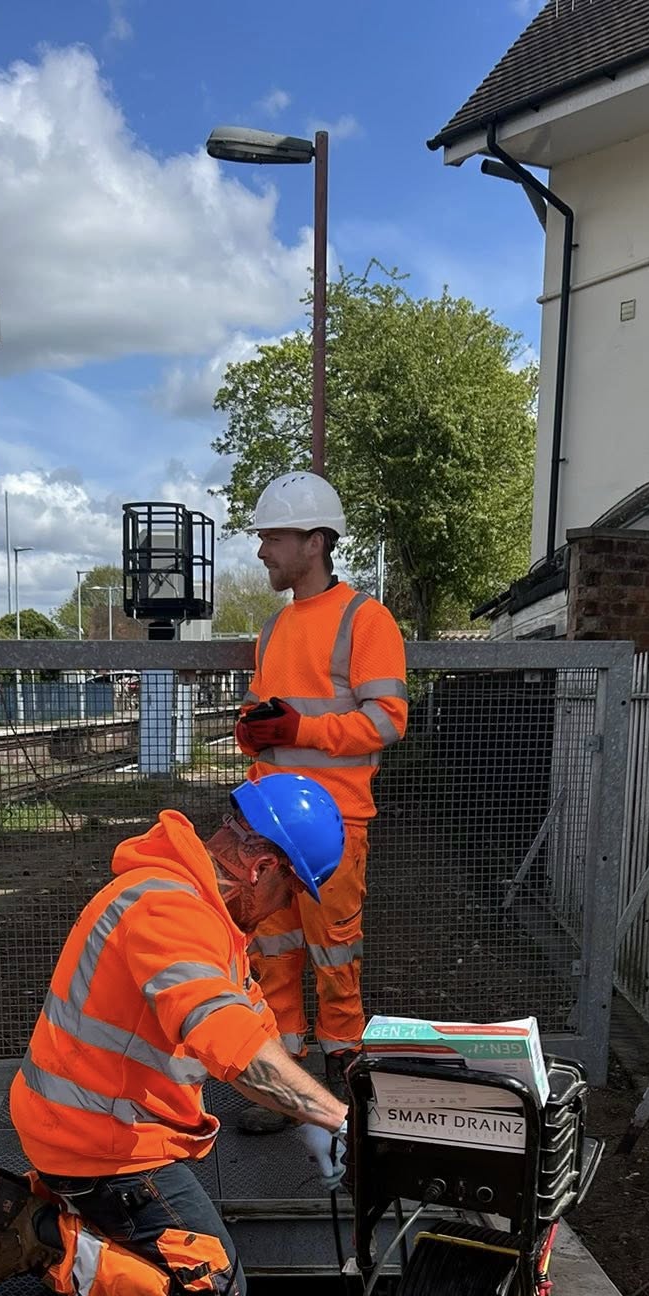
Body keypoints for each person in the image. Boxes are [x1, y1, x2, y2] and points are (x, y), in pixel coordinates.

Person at [0, 776, 349, 1296]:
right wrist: (334, 1118)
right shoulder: (173, 913)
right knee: (213, 1293)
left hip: (84, 1130)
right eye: (290, 893)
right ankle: (32, 1234)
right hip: (101, 1149)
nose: (282, 909)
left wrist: (305, 1118)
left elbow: (251, 1035)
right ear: (262, 869)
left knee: (190, 1246)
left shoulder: (198, 908)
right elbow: (229, 1041)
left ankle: (22, 1206)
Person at [234, 471, 409, 1130]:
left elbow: (388, 721)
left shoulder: (367, 619)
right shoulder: (273, 632)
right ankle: (289, 1079)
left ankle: (346, 1065)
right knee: (272, 949)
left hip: (334, 823)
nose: (262, 552)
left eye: (273, 537)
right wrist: (250, 727)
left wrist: (297, 729)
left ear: (314, 542)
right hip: (269, 821)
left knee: (335, 949)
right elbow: (260, 715)